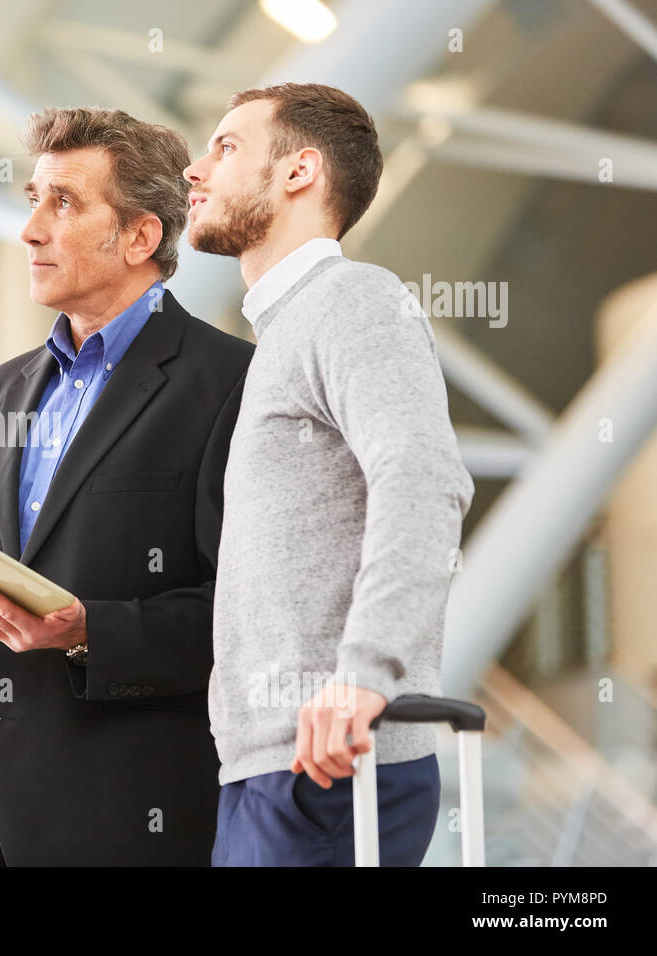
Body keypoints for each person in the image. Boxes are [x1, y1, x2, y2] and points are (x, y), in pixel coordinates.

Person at [0, 107, 253, 865]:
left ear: (140, 237)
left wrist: (89, 628)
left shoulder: (233, 384)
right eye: (32, 198)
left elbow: (248, 617)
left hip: (132, 825)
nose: (31, 228)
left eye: (63, 202)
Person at [183, 82, 475, 866]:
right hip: (271, 770)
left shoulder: (354, 300)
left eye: (227, 146)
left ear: (299, 172)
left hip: (332, 764)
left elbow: (423, 477)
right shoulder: (282, 334)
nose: (195, 169)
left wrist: (363, 677)